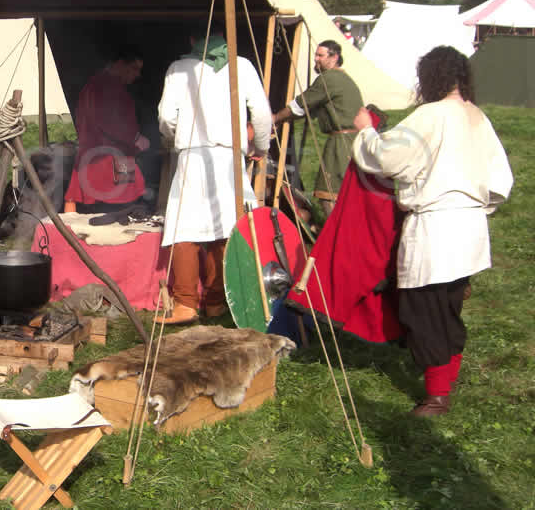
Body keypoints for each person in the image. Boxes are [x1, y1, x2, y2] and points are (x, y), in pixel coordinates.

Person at [351, 46, 512, 416]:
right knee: (447, 305)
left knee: (423, 310)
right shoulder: (477, 117)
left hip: (437, 229)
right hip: (469, 227)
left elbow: (389, 158)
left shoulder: (431, 115)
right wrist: (474, 208)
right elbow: (501, 179)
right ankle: (445, 380)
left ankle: (438, 395)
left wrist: (366, 132)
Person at [156, 25, 272, 324]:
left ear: (192, 39)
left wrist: (171, 143)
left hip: (193, 155)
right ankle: (217, 302)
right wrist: (260, 146)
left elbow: (167, 117)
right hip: (229, 157)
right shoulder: (242, 66)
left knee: (186, 228)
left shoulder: (180, 68)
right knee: (227, 227)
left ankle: (186, 303)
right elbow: (260, 112)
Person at [273, 40, 363, 216]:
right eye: (316, 55)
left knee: (328, 194)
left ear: (334, 57)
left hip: (342, 142)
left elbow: (301, 104)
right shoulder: (342, 78)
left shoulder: (329, 78)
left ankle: (334, 236)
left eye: (320, 55)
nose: (316, 59)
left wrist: (276, 117)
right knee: (336, 193)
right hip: (350, 140)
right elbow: (310, 111)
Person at [63, 45, 150, 213]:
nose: (137, 74)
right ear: (119, 64)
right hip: (110, 160)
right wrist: (136, 138)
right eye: (134, 68)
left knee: (96, 208)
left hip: (97, 157)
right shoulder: (107, 85)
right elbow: (109, 121)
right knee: (118, 209)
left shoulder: (95, 83)